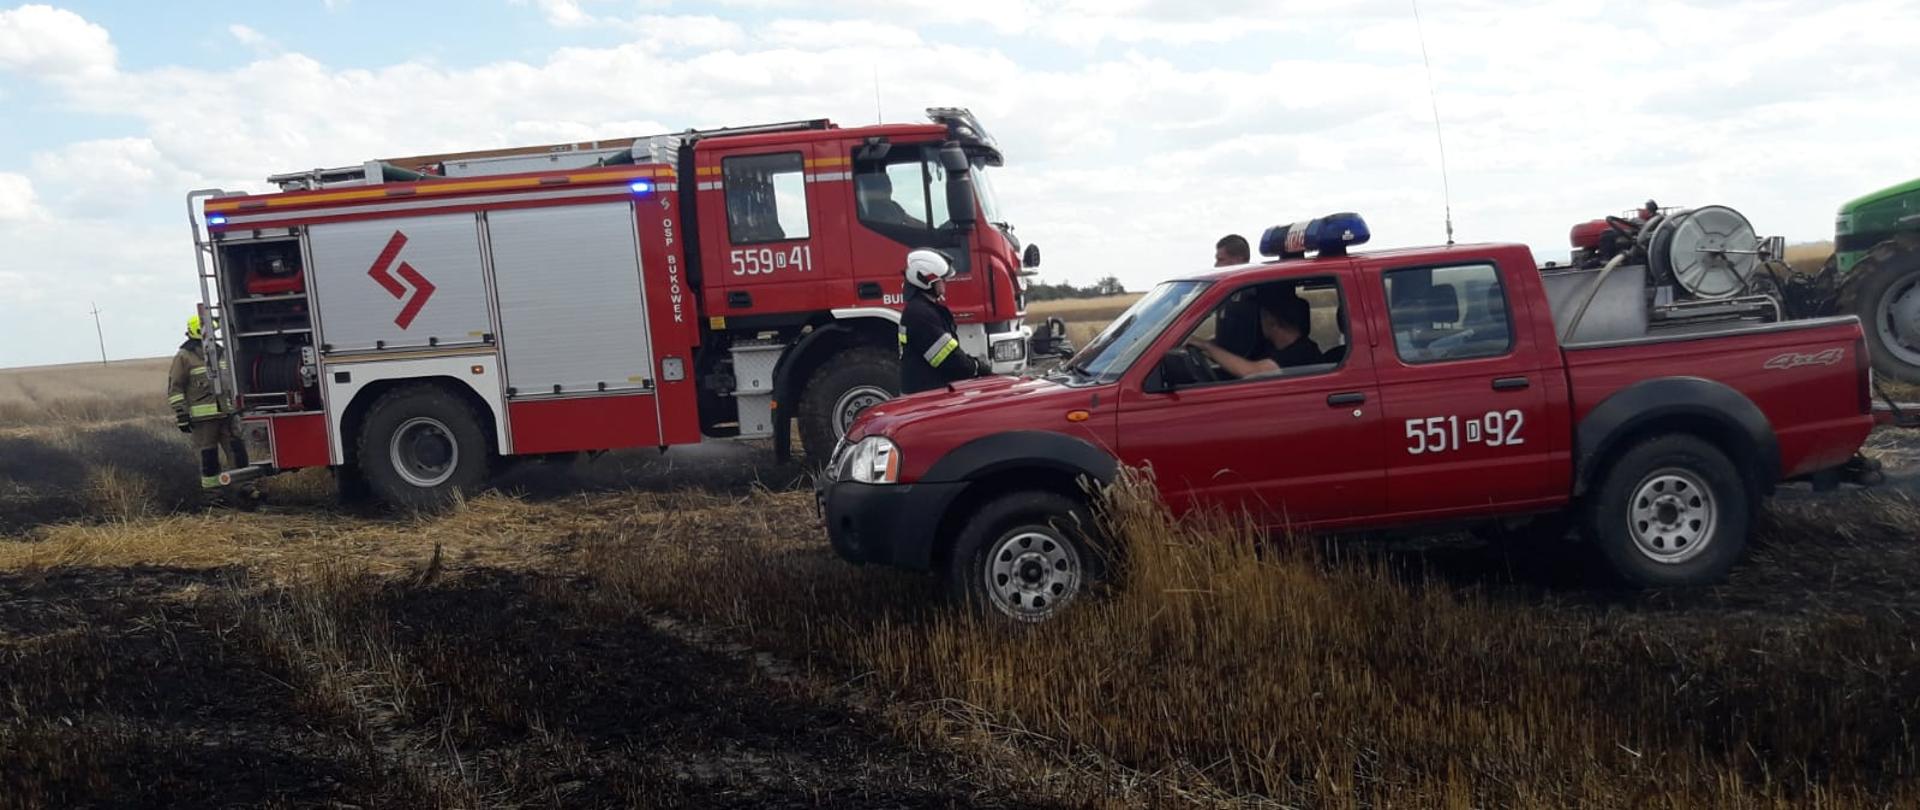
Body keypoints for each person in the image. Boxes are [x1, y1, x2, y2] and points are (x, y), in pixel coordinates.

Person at [168, 314, 249, 498]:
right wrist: (181, 414)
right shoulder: (184, 357)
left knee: (237, 451)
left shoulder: (220, 352)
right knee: (209, 456)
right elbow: (175, 388)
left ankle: (245, 489)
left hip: (227, 414)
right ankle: (214, 495)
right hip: (203, 420)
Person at [899, 249, 988, 394]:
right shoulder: (921, 314)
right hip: (926, 396)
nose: (945, 282)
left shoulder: (920, 309)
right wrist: (977, 367)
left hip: (924, 392)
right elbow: (949, 360)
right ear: (926, 280)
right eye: (942, 278)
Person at [1187, 287, 1322, 379]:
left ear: (1271, 320)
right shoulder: (1270, 346)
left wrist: (1207, 347)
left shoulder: (1302, 354)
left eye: (1260, 316)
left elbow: (1252, 371)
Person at [857, 171, 926, 229]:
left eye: (889, 184)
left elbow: (910, 221)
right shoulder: (869, 209)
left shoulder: (894, 206)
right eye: (886, 185)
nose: (889, 188)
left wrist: (929, 228)